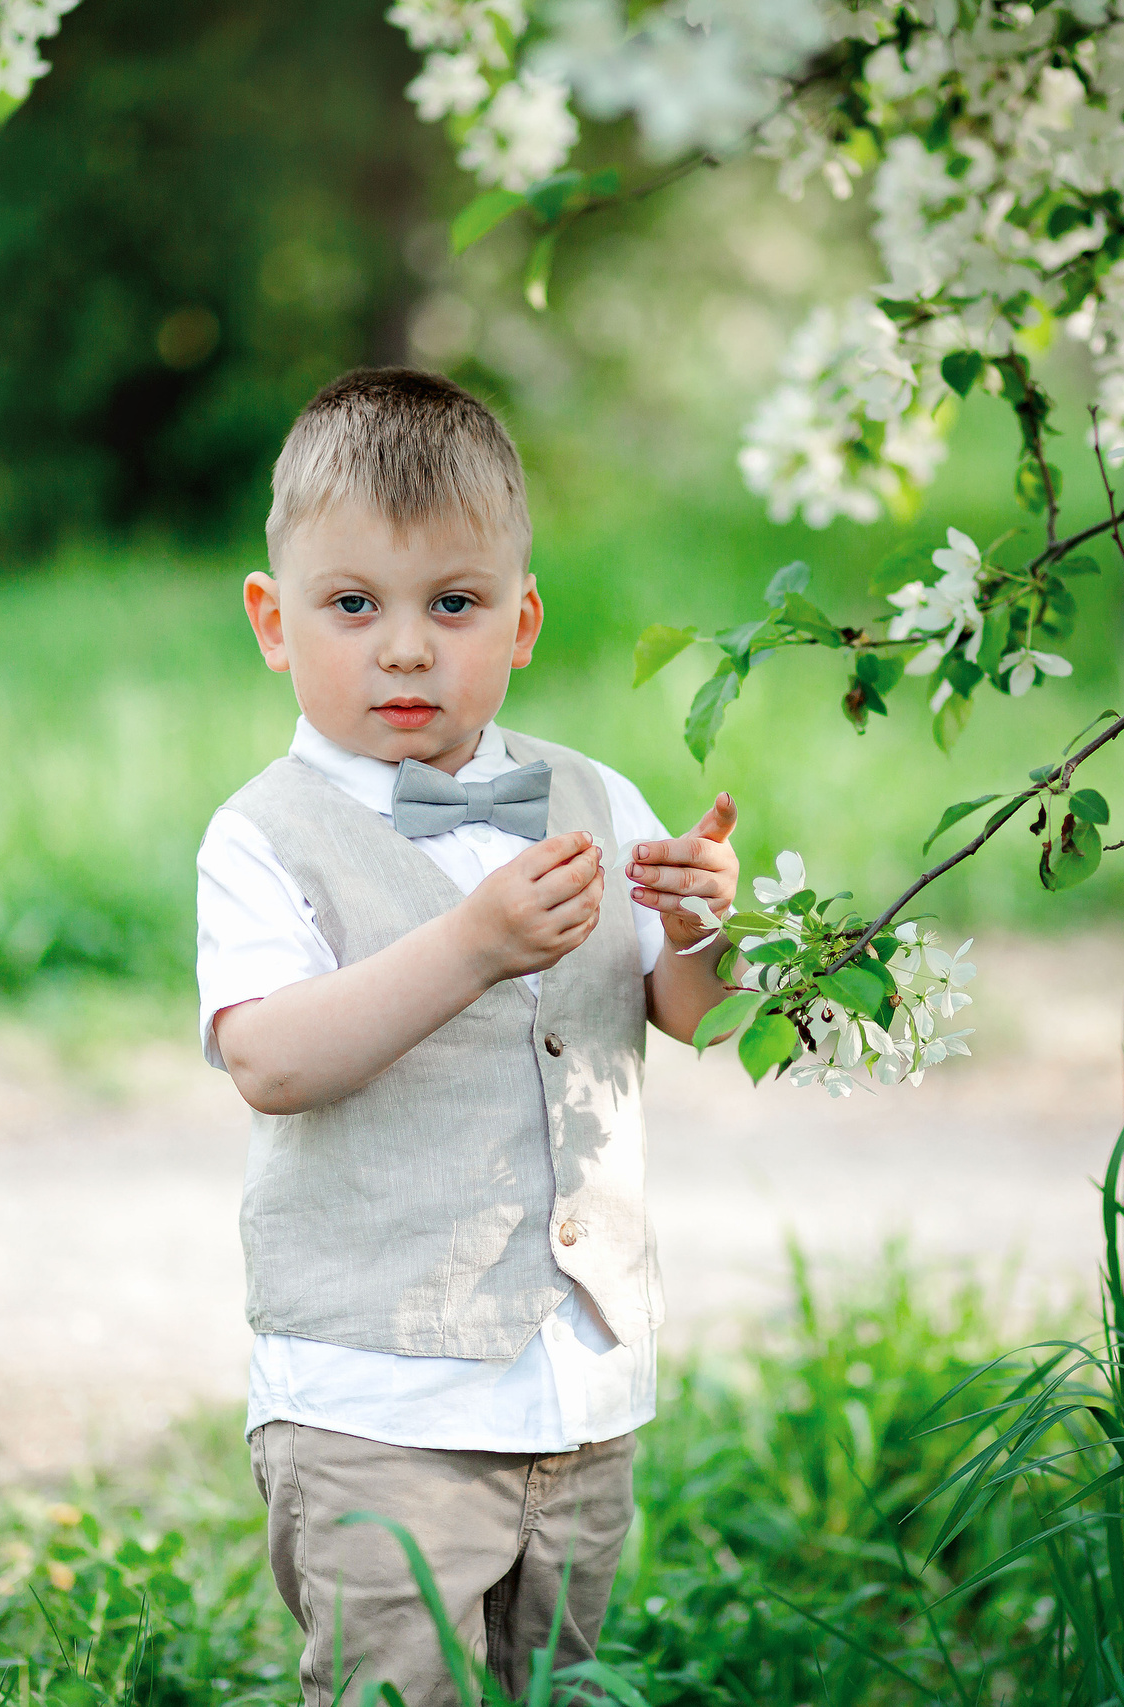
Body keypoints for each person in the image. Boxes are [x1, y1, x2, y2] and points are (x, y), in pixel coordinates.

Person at [195, 367, 741, 1704]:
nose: (403, 647)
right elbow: (269, 1056)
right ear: (276, 622)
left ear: (522, 619)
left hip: (579, 1387)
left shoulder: (594, 796)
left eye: (453, 604)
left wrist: (719, 927)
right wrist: (469, 946)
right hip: (379, 1402)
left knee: (558, 1686)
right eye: (352, 606)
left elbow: (685, 1012)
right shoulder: (264, 837)